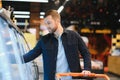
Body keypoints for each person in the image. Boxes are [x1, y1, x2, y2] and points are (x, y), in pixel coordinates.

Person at [23, 9, 91, 80]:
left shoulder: (74, 36)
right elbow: (32, 54)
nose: (47, 26)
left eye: (49, 23)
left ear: (57, 21)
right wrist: (15, 59)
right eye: (45, 24)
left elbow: (86, 53)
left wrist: (87, 68)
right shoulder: (44, 40)